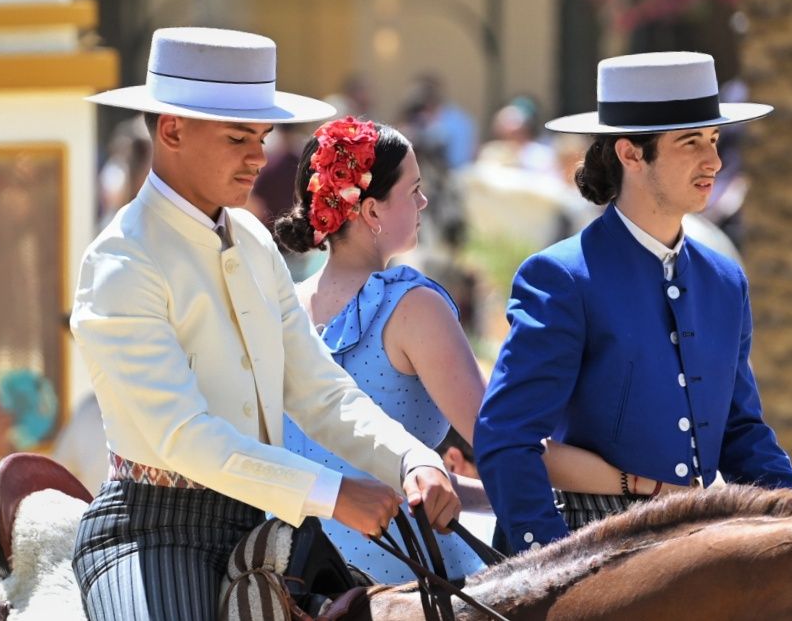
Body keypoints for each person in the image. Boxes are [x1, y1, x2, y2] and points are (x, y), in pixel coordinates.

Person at [70, 27, 459, 621]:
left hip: (270, 523)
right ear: (171, 129)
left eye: (262, 136)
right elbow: (186, 438)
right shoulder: (120, 262)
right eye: (237, 137)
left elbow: (318, 390)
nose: (259, 156)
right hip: (153, 533)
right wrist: (331, 494)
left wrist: (412, 459)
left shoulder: (252, 238)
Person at [273, 115, 677, 575]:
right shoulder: (410, 305)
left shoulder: (284, 304)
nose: (424, 202)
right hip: (396, 575)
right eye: (413, 190)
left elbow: (383, 474)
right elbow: (506, 444)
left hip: (287, 569)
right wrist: (641, 484)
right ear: (371, 211)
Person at [474, 51, 792, 552]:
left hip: (694, 550)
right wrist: (551, 564)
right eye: (691, 143)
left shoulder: (725, 280)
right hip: (587, 545)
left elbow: (740, 432)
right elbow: (506, 439)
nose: (715, 161)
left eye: (713, 140)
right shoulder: (559, 277)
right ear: (631, 154)